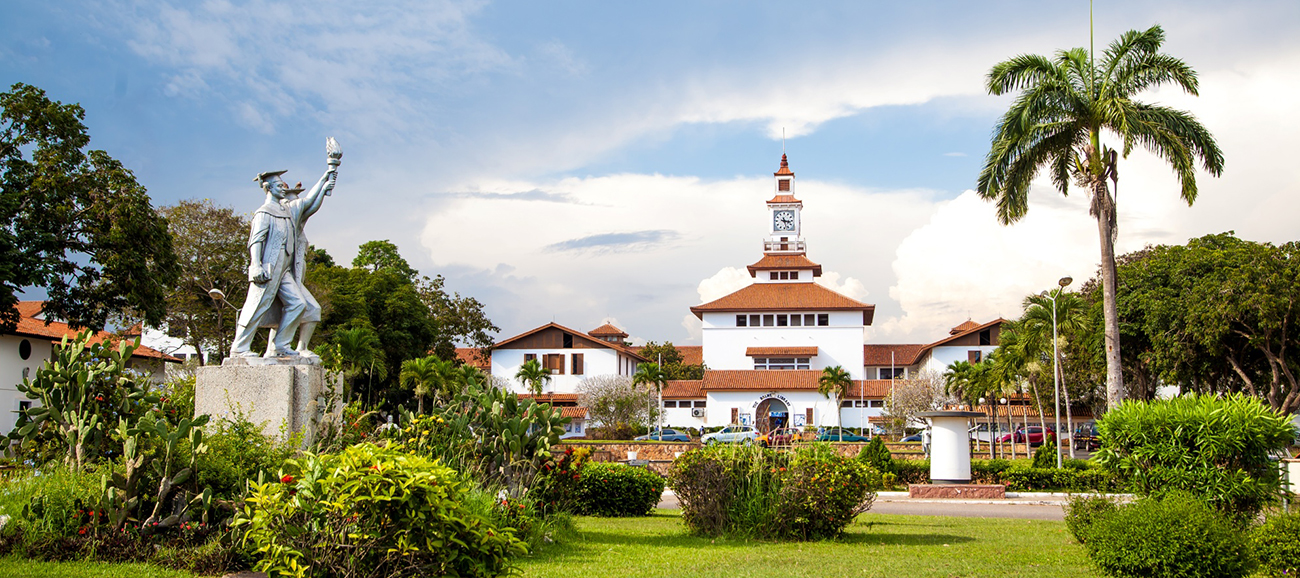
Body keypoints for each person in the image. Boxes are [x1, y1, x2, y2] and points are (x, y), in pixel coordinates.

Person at [229, 167, 335, 358]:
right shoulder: (264, 213)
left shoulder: (286, 211)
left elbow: (309, 203)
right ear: (268, 187)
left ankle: (280, 345)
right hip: (269, 265)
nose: (282, 188)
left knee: (297, 303)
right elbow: (256, 241)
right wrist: (256, 265)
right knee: (257, 304)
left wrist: (325, 178)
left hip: (285, 267)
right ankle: (240, 347)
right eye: (278, 185)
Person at [263, 180, 326, 358]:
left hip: (293, 275)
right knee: (309, 308)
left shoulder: (295, 226)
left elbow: (310, 205)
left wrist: (326, 182)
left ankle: (275, 349)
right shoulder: (281, 221)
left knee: (286, 311)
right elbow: (310, 205)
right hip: (282, 273)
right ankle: (295, 347)